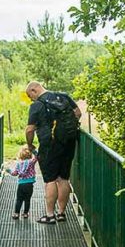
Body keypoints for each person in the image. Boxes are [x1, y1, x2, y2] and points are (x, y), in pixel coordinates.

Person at [24, 81, 82, 224]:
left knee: (50, 179)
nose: (31, 99)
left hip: (49, 145)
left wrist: (30, 144)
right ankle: (61, 213)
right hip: (68, 141)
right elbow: (78, 113)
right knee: (63, 178)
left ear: (34, 90)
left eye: (29, 95)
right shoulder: (63, 96)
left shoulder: (37, 105)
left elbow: (29, 129)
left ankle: (50, 215)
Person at [8, 145, 37, 219]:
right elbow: (37, 157)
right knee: (27, 200)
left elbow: (14, 173)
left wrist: (9, 171)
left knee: (19, 199)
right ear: (30, 155)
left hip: (21, 184)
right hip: (29, 184)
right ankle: (25, 214)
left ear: (20, 155)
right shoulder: (31, 162)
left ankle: (16, 213)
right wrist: (34, 151)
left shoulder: (18, 164)